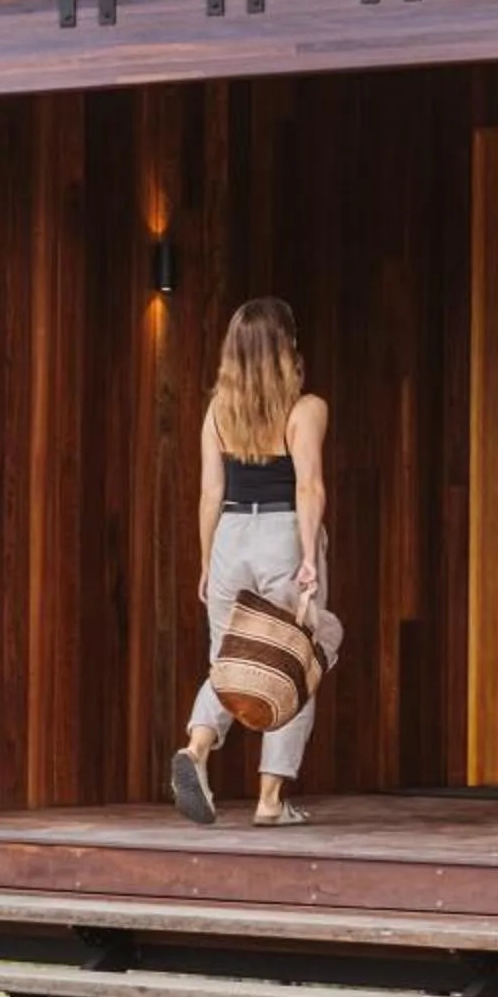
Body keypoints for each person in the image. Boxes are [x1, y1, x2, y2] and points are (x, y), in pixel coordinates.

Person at [172, 297, 341, 826]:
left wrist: (205, 563)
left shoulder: (218, 410)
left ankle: (197, 747)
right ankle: (270, 800)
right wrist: (308, 554)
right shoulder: (305, 408)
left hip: (229, 537)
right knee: (297, 659)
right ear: (287, 346)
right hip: (282, 533)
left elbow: (208, 493)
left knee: (229, 659)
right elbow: (309, 485)